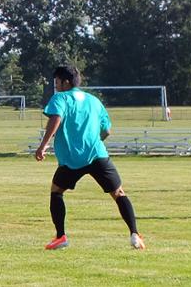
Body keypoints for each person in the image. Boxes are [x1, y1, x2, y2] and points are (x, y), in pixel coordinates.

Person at [35, 65, 145, 250]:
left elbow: (56, 118)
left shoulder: (60, 98)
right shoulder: (94, 101)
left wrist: (43, 145)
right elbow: (107, 130)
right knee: (118, 193)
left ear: (65, 82)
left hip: (72, 159)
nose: (56, 86)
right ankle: (135, 235)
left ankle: (61, 236)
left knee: (56, 192)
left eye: (57, 82)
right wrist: (94, 141)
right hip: (97, 155)